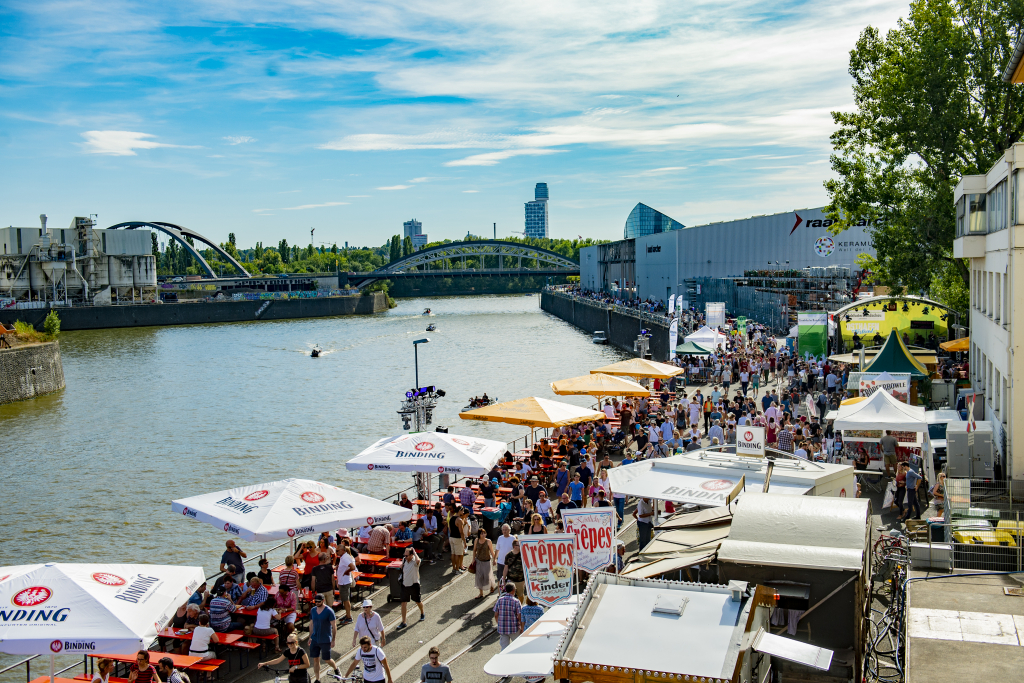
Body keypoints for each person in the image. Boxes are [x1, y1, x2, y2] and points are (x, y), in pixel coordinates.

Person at [308, 593, 339, 680]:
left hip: (325, 639)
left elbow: (334, 626)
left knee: (327, 660)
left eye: (319, 601)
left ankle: (336, 668)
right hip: (315, 639)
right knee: (315, 660)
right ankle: (318, 679)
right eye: (315, 601)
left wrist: (333, 640)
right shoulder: (313, 610)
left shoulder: (329, 611)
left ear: (323, 601)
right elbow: (311, 624)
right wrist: (310, 637)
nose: (317, 603)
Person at [398, 547, 425, 628]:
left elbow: (418, 561)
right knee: (403, 603)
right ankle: (404, 622)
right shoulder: (404, 560)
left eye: (406, 555)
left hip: (414, 585)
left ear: (411, 555)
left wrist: (415, 553)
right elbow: (401, 568)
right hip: (404, 585)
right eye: (404, 555)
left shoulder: (415, 561)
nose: (405, 557)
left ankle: (422, 613)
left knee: (418, 601)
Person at [493, 583, 524, 651]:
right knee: (517, 647)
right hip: (514, 628)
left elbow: (496, 615)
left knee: (504, 648)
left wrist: (499, 624)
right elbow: (519, 616)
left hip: (503, 629)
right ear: (513, 590)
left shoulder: (500, 600)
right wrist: (522, 627)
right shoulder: (516, 601)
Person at [335, 540, 356, 626]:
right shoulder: (344, 557)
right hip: (343, 581)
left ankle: (349, 617)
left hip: (344, 582)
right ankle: (347, 615)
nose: (336, 552)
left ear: (342, 550)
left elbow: (352, 567)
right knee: (345, 600)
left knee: (346, 600)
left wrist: (347, 571)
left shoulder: (345, 558)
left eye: (337, 550)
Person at [501, 538, 526, 602]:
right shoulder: (508, 555)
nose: (521, 546)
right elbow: (506, 567)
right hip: (510, 579)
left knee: (520, 594)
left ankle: (519, 606)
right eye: (519, 545)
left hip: (520, 580)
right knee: (509, 595)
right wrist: (503, 579)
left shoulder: (523, 554)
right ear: (514, 546)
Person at [448, 507, 466, 573]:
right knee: (458, 554)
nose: (463, 512)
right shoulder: (459, 520)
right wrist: (464, 540)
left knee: (453, 553)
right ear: (459, 511)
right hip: (457, 538)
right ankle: (457, 569)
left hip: (451, 537)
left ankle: (454, 568)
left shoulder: (451, 518)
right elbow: (461, 532)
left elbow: (449, 529)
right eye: (462, 511)